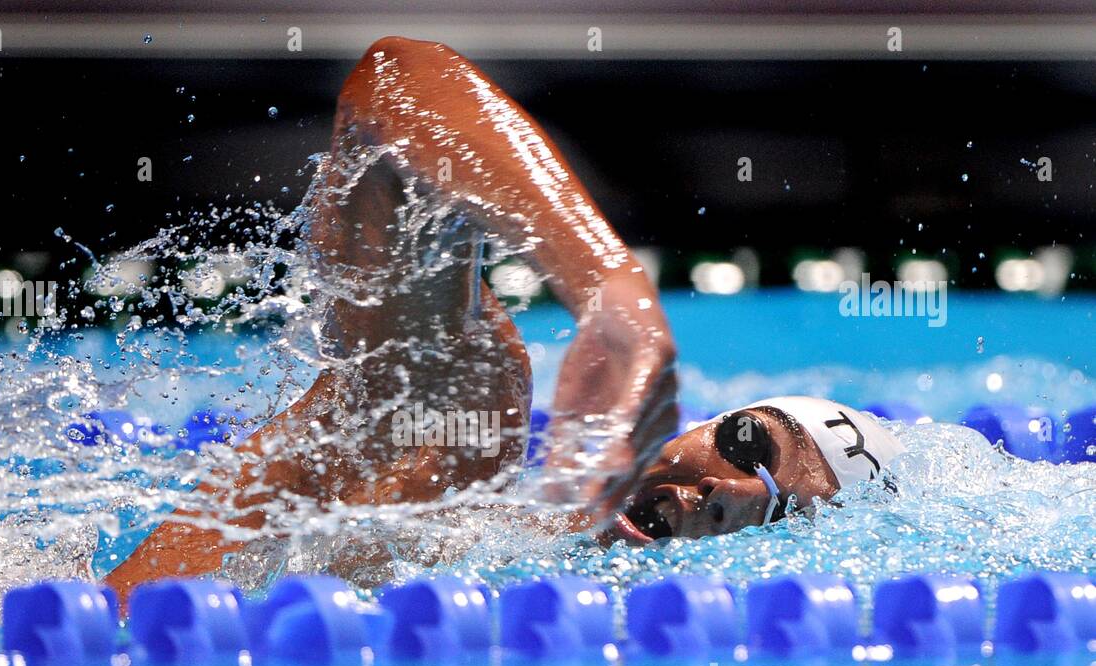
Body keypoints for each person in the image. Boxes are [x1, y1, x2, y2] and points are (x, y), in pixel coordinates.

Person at [104, 36, 902, 606]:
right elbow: (394, 83)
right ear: (711, 420)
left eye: (771, 515)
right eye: (748, 444)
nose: (718, 490)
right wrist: (613, 291)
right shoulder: (464, 429)